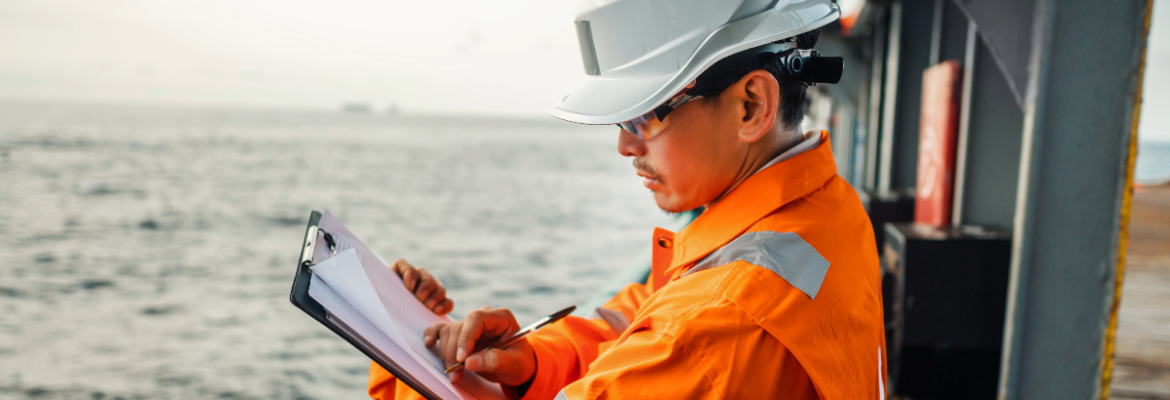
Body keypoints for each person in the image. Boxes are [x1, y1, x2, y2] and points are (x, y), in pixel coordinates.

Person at [370, 0, 887, 398]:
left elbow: (682, 333)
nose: (624, 144)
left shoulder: (714, 324)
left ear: (750, 104)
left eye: (647, 115)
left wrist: (397, 350)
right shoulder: (823, 209)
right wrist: (532, 360)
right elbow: (647, 313)